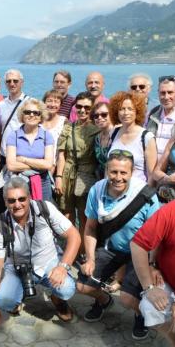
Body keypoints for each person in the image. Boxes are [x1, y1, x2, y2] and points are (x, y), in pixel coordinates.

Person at [76, 150, 160, 341]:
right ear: (106, 170)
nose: (118, 177)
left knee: (128, 298)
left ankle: (141, 314)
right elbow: (89, 227)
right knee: (82, 286)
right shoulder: (97, 190)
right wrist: (89, 259)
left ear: (132, 173)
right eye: (113, 172)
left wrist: (154, 265)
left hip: (140, 253)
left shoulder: (146, 195)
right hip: (111, 248)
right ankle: (104, 301)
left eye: (123, 173)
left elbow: (157, 235)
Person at [0, 177, 81, 335]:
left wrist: (63, 267)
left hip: (48, 263)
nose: (17, 205)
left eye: (22, 199)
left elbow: (74, 236)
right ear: (5, 202)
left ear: (29, 197)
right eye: (11, 201)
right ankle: (16, 299)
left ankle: (57, 299)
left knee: (67, 289)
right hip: (16, 269)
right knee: (4, 301)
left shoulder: (45, 209)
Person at [131, 200, 175, 347]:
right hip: (167, 279)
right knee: (150, 307)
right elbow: (138, 244)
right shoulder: (172, 209)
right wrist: (149, 287)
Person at [55, 92, 98, 248]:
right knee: (67, 213)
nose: (82, 110)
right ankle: (71, 246)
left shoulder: (97, 129)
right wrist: (58, 177)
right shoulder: (69, 127)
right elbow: (62, 155)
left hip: (86, 175)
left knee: (84, 214)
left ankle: (83, 248)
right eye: (79, 106)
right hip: (68, 172)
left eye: (87, 107)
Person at [6, 98, 54, 200]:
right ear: (22, 116)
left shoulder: (47, 136)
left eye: (36, 113)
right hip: (19, 182)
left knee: (43, 211)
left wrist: (23, 159)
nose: (32, 115)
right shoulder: (13, 136)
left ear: (41, 116)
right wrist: (39, 164)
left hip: (43, 182)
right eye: (27, 112)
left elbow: (48, 165)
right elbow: (11, 165)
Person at [109, 91, 157, 184]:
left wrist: (144, 196)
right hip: (113, 190)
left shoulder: (147, 137)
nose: (126, 113)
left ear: (137, 111)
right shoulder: (114, 133)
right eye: (122, 109)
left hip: (137, 192)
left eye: (130, 109)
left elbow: (151, 176)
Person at [0, 69, 30, 168]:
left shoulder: (30, 103)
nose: (12, 84)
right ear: (5, 84)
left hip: (23, 155)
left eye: (15, 81)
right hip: (4, 155)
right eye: (8, 81)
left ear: (22, 82)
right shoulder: (0, 105)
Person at [146, 75, 175, 161]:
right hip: (152, 169)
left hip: (174, 170)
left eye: (170, 92)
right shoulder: (153, 114)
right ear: (158, 93)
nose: (166, 97)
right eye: (162, 93)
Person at [42, 90, 67, 168]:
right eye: (49, 101)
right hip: (37, 163)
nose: (52, 105)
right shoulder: (37, 120)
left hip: (55, 165)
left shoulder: (63, 121)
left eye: (56, 102)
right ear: (44, 103)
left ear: (60, 105)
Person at [91, 102, 114, 179]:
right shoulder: (97, 137)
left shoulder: (117, 135)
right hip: (100, 179)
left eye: (104, 114)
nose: (99, 118)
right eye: (96, 116)